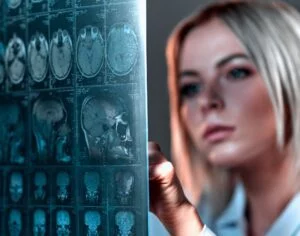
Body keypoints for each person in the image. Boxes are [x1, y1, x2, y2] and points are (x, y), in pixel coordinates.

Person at [149, 1, 300, 235]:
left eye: (236, 72)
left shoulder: (184, 218)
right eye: (190, 88)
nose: (206, 101)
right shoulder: (203, 212)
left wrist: (185, 225)